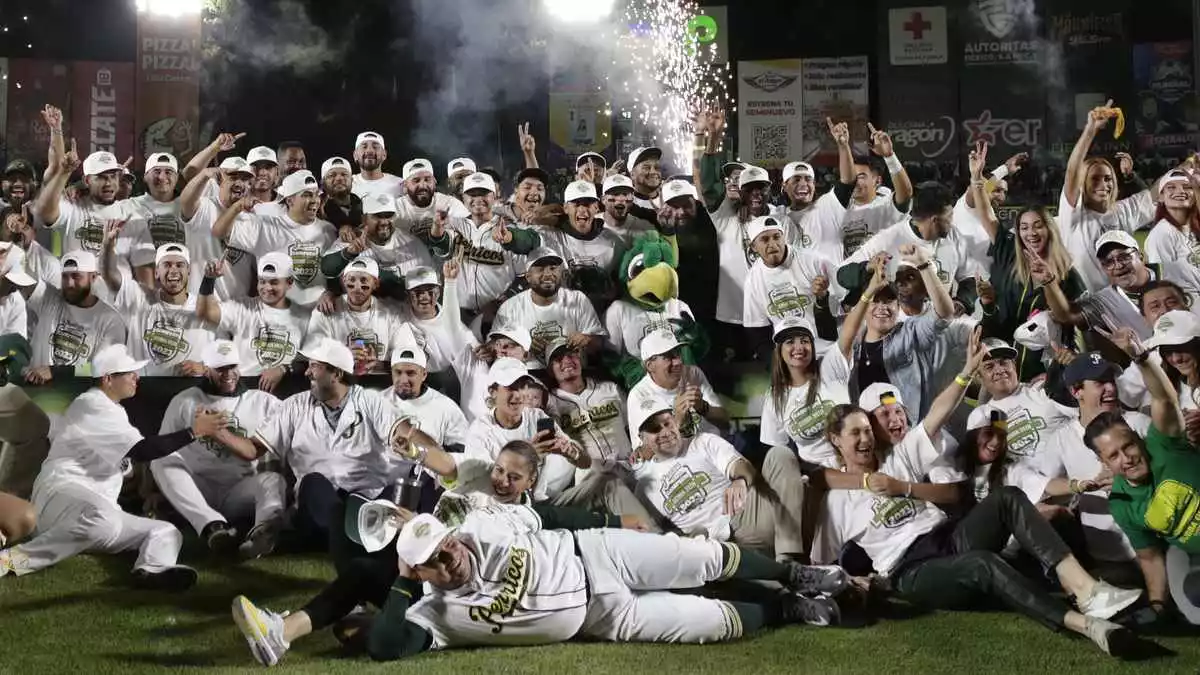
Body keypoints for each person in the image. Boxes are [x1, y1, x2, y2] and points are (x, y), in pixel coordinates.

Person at [234, 505, 848, 665]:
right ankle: (794, 609)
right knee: (712, 625)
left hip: (599, 555)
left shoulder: (478, 523)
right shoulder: (433, 616)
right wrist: (402, 582)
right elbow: (384, 647)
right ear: (414, 574)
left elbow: (546, 515)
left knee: (703, 557)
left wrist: (609, 522)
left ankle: (797, 573)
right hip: (604, 622)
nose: (448, 560)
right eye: (432, 563)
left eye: (443, 547)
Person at [821, 387, 1146, 656]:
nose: (864, 438)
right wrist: (856, 581)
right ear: (836, 440)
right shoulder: (835, 501)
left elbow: (937, 415)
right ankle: (1089, 626)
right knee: (983, 563)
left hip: (948, 537)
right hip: (911, 569)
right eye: (855, 433)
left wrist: (967, 372)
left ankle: (1087, 590)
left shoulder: (897, 459)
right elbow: (822, 562)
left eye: (867, 429)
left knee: (1008, 497)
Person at [0, 345, 225, 588]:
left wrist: (144, 486)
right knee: (100, 517)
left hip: (98, 511)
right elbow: (143, 450)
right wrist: (195, 431)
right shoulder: (91, 403)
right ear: (108, 379)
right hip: (60, 496)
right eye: (129, 373)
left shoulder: (115, 411)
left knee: (166, 531)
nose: (136, 378)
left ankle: (152, 569)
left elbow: (132, 461)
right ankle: (10, 560)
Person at [1086, 323, 1200, 626]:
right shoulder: (1122, 503)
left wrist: (1141, 357)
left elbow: (1164, 400)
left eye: (1128, 446)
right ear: (1104, 462)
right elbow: (1149, 557)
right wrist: (1158, 605)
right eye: (1114, 456)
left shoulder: (1163, 444)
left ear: (1138, 439)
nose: (1127, 459)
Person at [251, 338, 408, 546]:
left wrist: (428, 452)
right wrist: (219, 434)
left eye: (314, 367)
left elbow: (405, 433)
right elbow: (254, 448)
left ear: (337, 373)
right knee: (313, 483)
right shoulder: (295, 405)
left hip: (363, 498)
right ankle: (349, 535)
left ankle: (333, 535)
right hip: (316, 504)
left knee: (382, 497)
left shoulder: (371, 401)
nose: (307, 373)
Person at [632, 394, 814, 562]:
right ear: (642, 438)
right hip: (712, 549)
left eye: (668, 423)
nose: (666, 432)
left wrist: (739, 480)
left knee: (780, 454)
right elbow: (654, 534)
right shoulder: (644, 487)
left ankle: (788, 559)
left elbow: (740, 466)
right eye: (655, 429)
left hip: (744, 517)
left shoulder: (702, 442)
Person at [150, 340, 286, 559]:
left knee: (272, 480)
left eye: (232, 366)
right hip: (197, 487)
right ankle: (212, 527)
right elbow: (163, 448)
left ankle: (263, 533)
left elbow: (270, 447)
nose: (228, 373)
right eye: (220, 368)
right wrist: (153, 492)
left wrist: (217, 432)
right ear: (207, 368)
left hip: (239, 490)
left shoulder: (263, 402)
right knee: (161, 460)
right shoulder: (185, 401)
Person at [967, 141, 1086, 381]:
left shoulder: (1067, 275)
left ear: (1049, 229)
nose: (1030, 233)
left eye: (1037, 226)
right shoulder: (1008, 252)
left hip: (1042, 374)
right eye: (1024, 227)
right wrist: (976, 178)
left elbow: (1075, 326)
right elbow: (986, 214)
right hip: (1001, 365)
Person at [839, 245, 955, 421]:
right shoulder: (854, 344)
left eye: (889, 301)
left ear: (898, 306)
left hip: (906, 432)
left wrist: (923, 265)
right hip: (871, 435)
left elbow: (944, 314)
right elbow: (839, 276)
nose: (882, 307)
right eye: (875, 301)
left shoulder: (910, 333)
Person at [1061, 101, 1159, 292]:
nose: (1103, 185)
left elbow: (1158, 193)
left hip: (1125, 304)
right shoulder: (1073, 214)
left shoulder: (1123, 211)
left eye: (1107, 178)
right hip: (1087, 308)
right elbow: (1072, 172)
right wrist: (1090, 130)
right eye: (1094, 179)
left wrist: (1189, 164)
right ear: (1082, 184)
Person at [464, 357, 588, 502]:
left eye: (522, 386)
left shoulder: (537, 417)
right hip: (505, 508)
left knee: (605, 483)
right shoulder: (480, 432)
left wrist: (572, 453)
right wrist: (528, 457)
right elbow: (488, 491)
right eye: (510, 387)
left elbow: (585, 463)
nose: (517, 395)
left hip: (541, 502)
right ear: (493, 392)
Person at [213, 170, 338, 309]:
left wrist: (331, 292)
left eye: (316, 194)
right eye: (307, 195)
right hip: (277, 318)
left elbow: (335, 275)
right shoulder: (265, 227)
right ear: (290, 200)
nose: (315, 200)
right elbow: (220, 231)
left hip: (317, 316)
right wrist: (238, 206)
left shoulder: (328, 230)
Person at [197, 252, 311, 393]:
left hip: (287, 387)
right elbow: (205, 313)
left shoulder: (305, 317)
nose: (267, 288)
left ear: (289, 283)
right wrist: (209, 279)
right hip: (246, 387)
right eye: (262, 281)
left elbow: (311, 359)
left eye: (274, 282)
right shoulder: (242, 307)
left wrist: (283, 369)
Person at [101, 239, 214, 376]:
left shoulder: (205, 309)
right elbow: (110, 276)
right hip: (144, 390)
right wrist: (107, 247)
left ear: (188, 271)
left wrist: (204, 368)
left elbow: (227, 355)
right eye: (167, 265)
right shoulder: (140, 297)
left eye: (180, 265)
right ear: (156, 272)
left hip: (189, 392)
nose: (173, 270)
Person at [20, 251, 127, 385]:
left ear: (93, 277)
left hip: (74, 396)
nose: (69, 283)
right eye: (65, 276)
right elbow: (20, 279)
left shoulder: (111, 321)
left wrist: (55, 372)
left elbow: (103, 368)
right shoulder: (49, 297)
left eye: (76, 276)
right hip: (30, 387)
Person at [493, 246, 606, 368]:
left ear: (561, 274)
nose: (547, 274)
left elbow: (598, 344)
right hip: (528, 376)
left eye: (553, 268)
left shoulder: (578, 299)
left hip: (570, 370)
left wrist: (587, 339)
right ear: (528, 276)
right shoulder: (510, 308)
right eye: (540, 269)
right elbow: (496, 350)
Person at [761, 316, 851, 466]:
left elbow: (850, 333)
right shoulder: (774, 396)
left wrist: (866, 296)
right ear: (779, 351)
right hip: (815, 473)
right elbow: (777, 449)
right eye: (790, 342)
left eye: (804, 341)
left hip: (853, 459)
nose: (799, 347)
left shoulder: (829, 367)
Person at [627, 329, 729, 441]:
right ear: (650, 365)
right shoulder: (639, 395)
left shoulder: (693, 373)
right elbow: (644, 454)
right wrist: (678, 420)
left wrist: (702, 407)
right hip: (681, 457)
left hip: (716, 448)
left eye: (678, 353)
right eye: (668, 357)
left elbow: (724, 420)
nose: (678, 362)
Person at [382, 344, 468, 454]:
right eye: (398, 372)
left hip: (425, 469)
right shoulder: (377, 402)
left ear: (424, 375)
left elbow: (463, 448)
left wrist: (428, 453)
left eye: (410, 373)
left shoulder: (446, 407)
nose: (404, 379)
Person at [351, 131, 402, 199]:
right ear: (355, 155)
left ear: (384, 154)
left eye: (375, 147)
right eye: (364, 147)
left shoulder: (399, 185)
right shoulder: (347, 184)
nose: (369, 151)